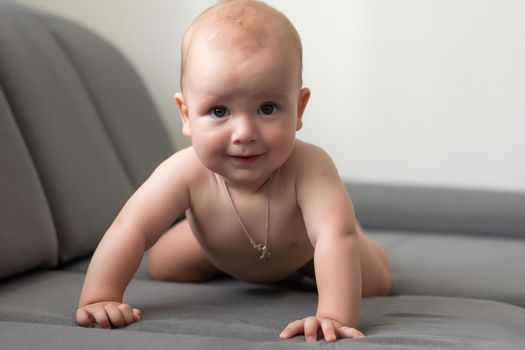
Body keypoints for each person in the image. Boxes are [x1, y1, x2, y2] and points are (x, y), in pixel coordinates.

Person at [76, 0, 391, 342]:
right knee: (165, 265)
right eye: (219, 110)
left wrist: (333, 314)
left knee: (373, 282)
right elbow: (131, 226)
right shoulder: (184, 171)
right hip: (217, 250)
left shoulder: (311, 167)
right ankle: (217, 249)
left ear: (299, 109)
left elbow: (332, 238)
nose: (244, 133)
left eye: (267, 108)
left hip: (307, 251)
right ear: (186, 114)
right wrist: (100, 296)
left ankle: (355, 231)